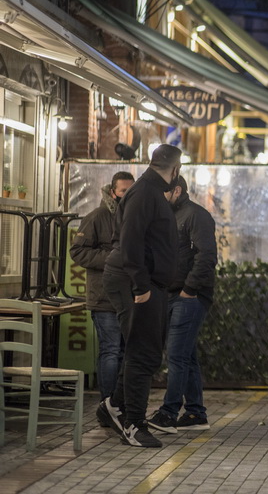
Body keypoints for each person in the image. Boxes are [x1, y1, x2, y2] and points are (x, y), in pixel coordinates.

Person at [96, 144, 181, 448]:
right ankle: (134, 423)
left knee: (144, 350)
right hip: (135, 282)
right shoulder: (145, 192)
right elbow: (130, 239)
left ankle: (114, 407)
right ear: (176, 169)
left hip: (145, 282)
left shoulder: (150, 191)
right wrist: (141, 285)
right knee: (143, 352)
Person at [147, 176, 217, 434]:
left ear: (177, 190)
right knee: (186, 355)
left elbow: (207, 255)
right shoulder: (169, 215)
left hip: (189, 296)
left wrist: (190, 289)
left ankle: (169, 413)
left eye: (163, 192)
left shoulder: (196, 215)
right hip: (172, 293)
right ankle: (196, 413)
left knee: (176, 355)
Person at [70, 171, 135, 405]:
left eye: (131, 191)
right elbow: (77, 251)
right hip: (104, 298)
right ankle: (107, 404)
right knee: (111, 350)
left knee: (126, 352)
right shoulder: (97, 217)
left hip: (129, 298)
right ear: (112, 192)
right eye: (124, 191)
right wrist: (112, 259)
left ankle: (121, 402)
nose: (128, 195)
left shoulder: (136, 217)